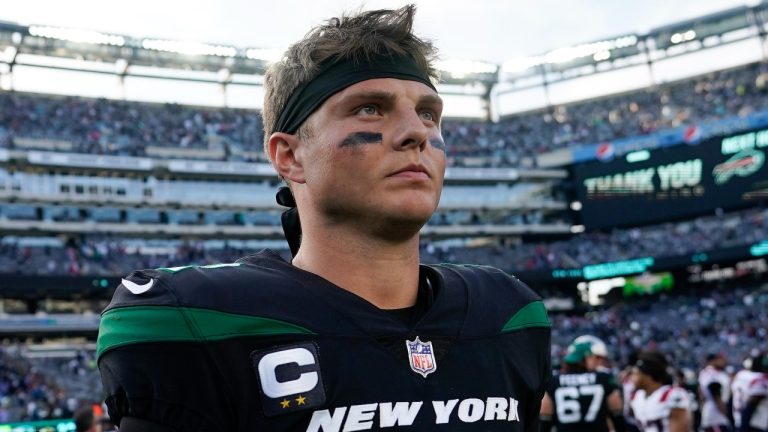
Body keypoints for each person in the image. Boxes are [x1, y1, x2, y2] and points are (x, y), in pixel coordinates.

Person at [97, 5, 551, 431]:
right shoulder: (197, 319)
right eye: (369, 107)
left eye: (429, 113)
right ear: (290, 156)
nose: (417, 132)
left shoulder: (511, 315)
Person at [540, 338, 627, 432]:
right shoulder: (604, 378)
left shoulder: (553, 381)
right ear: (586, 358)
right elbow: (616, 410)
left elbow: (545, 415)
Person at [629, 351, 691, 432]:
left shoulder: (672, 395)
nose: (631, 378)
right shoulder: (637, 397)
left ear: (648, 376)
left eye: (636, 374)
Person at [732, 353, 768, 432]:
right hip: (754, 423)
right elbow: (751, 405)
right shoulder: (761, 379)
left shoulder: (741, 375)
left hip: (739, 420)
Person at [700, 352, 734, 432]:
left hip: (719, 415)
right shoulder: (710, 372)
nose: (724, 361)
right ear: (714, 360)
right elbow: (715, 394)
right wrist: (727, 414)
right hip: (715, 416)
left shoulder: (719, 373)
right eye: (721, 359)